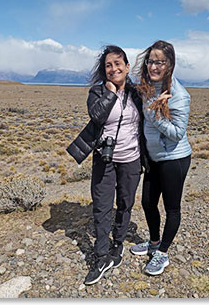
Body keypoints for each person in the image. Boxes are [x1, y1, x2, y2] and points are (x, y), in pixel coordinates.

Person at [67, 45, 148, 285]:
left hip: (131, 159)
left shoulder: (137, 93)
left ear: (127, 66)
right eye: (108, 66)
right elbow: (97, 117)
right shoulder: (97, 92)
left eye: (117, 64)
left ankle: (118, 246)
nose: (113, 69)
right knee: (101, 207)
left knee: (125, 203)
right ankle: (101, 256)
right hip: (105, 159)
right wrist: (111, 93)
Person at [130, 40, 192, 275]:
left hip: (174, 158)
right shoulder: (147, 88)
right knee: (147, 202)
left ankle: (163, 253)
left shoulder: (179, 95)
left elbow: (177, 133)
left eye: (160, 62)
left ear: (170, 65)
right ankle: (153, 242)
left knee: (172, 208)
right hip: (154, 158)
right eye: (151, 61)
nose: (154, 67)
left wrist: (154, 115)